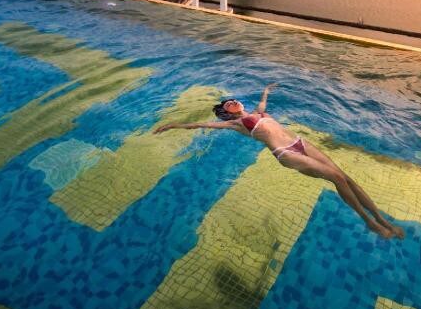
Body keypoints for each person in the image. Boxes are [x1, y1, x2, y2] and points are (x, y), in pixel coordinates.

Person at [154, 84, 404, 239]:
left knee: (347, 177)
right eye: (229, 104)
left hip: (300, 142)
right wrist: (173, 125)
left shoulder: (257, 112)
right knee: (337, 178)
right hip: (287, 153)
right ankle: (369, 222)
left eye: (233, 100)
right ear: (226, 112)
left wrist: (266, 91)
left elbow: (263, 104)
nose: (234, 102)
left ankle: (381, 219)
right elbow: (201, 123)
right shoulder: (236, 123)